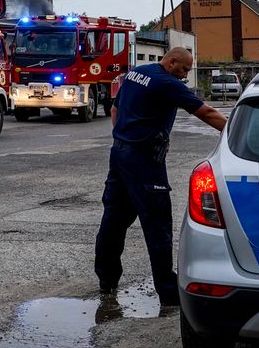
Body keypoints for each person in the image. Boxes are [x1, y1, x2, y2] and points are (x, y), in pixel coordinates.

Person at [94, 47, 227, 305]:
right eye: (185, 70)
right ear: (172, 61)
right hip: (144, 160)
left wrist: (126, 139)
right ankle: (167, 291)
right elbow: (207, 113)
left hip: (120, 153)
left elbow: (114, 111)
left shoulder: (136, 74)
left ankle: (106, 280)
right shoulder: (168, 83)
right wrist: (238, 131)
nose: (185, 76)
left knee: (114, 219)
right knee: (158, 224)